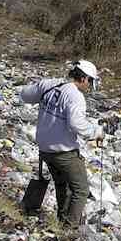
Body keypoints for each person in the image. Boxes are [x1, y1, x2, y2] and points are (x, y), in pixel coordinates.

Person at [20, 60, 104, 228]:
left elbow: (25, 95)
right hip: (63, 152)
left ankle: (61, 219)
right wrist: (96, 131)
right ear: (84, 78)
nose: (89, 86)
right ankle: (69, 228)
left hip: (45, 150)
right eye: (90, 82)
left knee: (62, 184)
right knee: (81, 190)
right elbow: (76, 124)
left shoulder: (50, 85)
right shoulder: (75, 96)